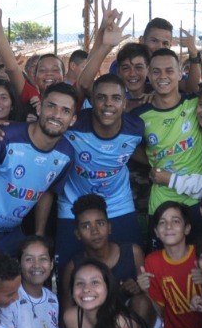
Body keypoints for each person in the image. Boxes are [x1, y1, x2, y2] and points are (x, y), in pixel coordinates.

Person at [0, 82, 77, 259]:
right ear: (39, 109)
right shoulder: (4, 135)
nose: (56, 115)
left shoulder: (67, 153)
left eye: (65, 111)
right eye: (51, 106)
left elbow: (47, 191)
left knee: (16, 281)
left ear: (73, 119)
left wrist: (39, 234)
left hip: (9, 232)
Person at [55, 75, 145, 268]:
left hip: (117, 203)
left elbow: (137, 151)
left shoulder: (136, 128)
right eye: (101, 97)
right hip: (73, 204)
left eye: (115, 98)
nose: (108, 104)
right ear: (91, 102)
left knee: (132, 266)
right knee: (69, 270)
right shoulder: (74, 125)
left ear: (124, 103)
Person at [132, 44, 202, 220]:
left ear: (180, 74)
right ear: (149, 75)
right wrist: (151, 161)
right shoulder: (139, 115)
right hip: (161, 203)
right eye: (156, 72)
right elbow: (128, 146)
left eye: (169, 70)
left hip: (197, 198)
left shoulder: (196, 104)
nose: (163, 76)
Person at [62, 194, 151, 324]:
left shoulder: (132, 252)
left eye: (100, 223)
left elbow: (148, 296)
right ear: (77, 234)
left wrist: (137, 288)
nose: (95, 231)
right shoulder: (73, 267)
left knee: (141, 302)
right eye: (86, 226)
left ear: (109, 227)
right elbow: (68, 312)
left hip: (131, 326)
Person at [136, 201, 202, 328]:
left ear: (187, 228)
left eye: (175, 221)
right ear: (156, 231)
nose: (168, 226)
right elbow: (158, 312)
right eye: (162, 222)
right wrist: (146, 291)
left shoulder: (201, 254)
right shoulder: (153, 261)